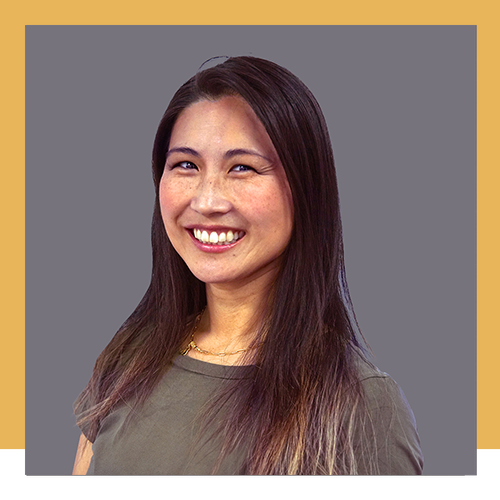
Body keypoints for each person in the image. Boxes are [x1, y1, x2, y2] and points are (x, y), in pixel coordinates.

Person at [72, 56, 423, 475]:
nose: (207, 201)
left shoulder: (362, 407)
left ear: (306, 188)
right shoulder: (129, 359)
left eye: (242, 167)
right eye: (186, 165)